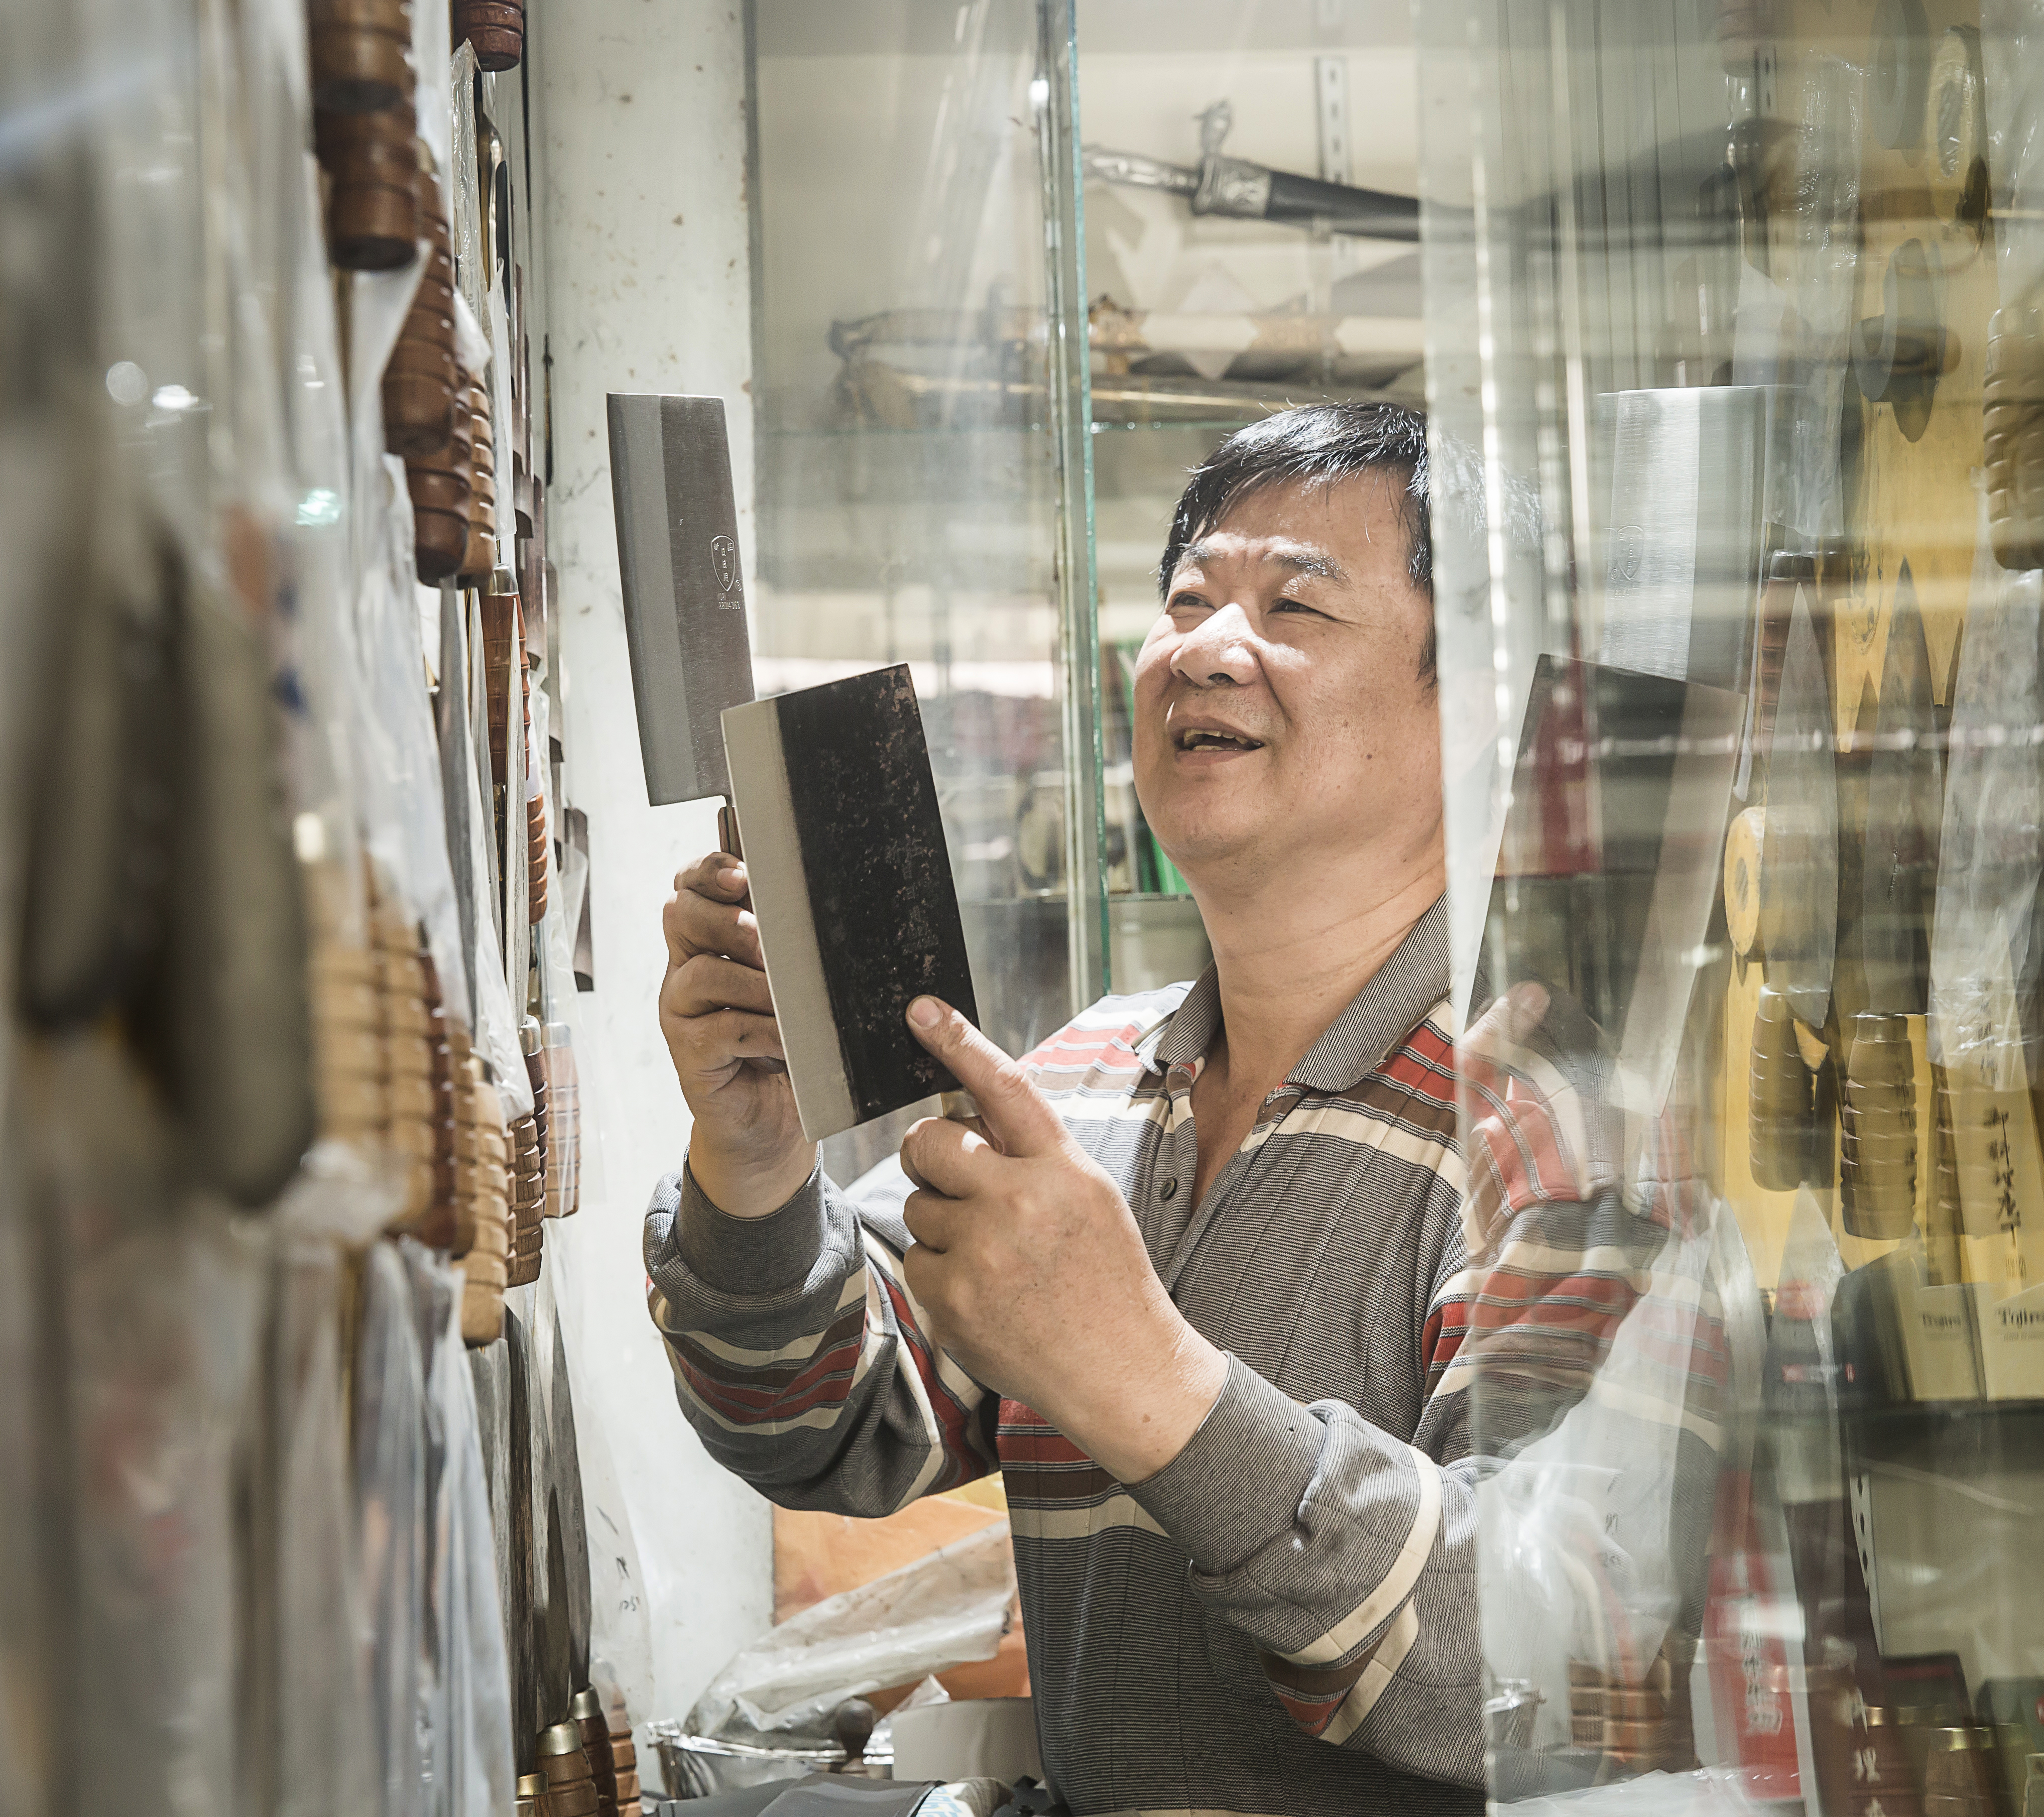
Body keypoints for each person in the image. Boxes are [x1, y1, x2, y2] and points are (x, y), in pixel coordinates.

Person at [645, 402, 1720, 1815]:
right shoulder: (1083, 1083)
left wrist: (1144, 1378)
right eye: (1188, 600)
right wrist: (755, 1165)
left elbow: (1538, 1668)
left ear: (1470, 704)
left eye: (1296, 606)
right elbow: (823, 1422)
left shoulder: (1564, 1136)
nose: (1207, 647)